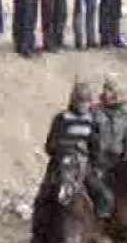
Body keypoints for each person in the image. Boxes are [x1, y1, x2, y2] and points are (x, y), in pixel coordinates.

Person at [40, 82, 104, 216]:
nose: (83, 105)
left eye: (86, 101)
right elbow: (50, 145)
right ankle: (39, 230)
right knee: (43, 197)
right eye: (80, 101)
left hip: (83, 164)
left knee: (103, 195)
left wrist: (97, 165)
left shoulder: (91, 121)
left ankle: (100, 227)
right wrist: (64, 148)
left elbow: (95, 147)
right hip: (61, 164)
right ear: (74, 100)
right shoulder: (61, 118)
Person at [91, 79, 127, 220]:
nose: (106, 93)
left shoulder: (126, 117)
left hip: (116, 163)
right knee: (102, 194)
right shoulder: (93, 112)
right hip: (96, 161)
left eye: (110, 89)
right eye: (105, 89)